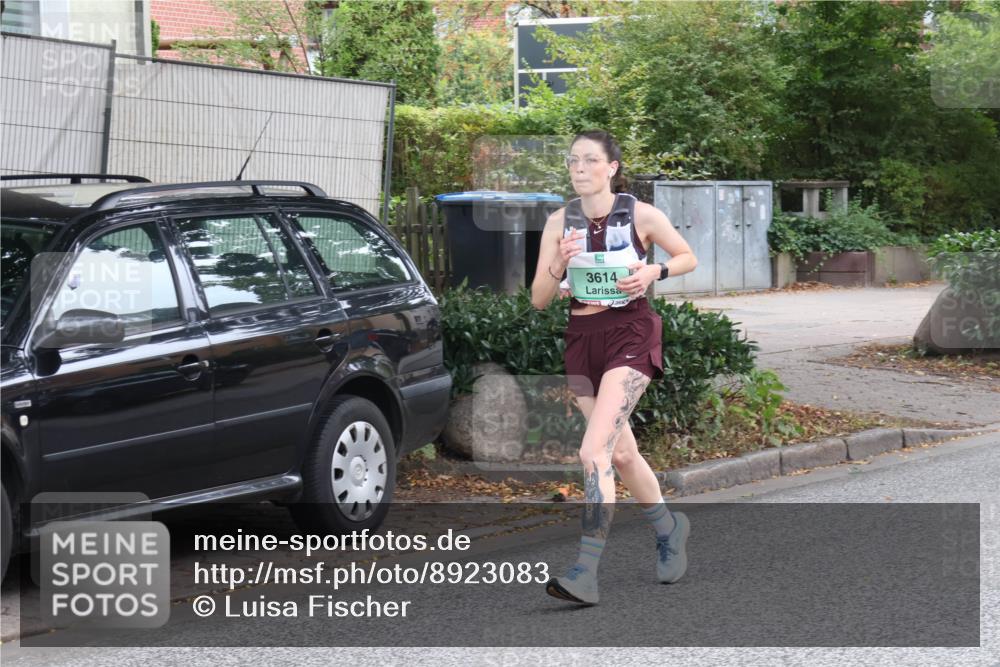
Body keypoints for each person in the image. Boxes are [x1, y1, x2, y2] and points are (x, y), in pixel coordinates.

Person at [530, 130, 698, 605]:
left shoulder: (641, 215)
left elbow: (687, 256)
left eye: (590, 160)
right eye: (573, 161)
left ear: (612, 168)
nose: (579, 168)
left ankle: (585, 572)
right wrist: (559, 265)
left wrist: (653, 272)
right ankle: (669, 529)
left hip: (631, 334)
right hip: (582, 341)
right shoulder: (558, 222)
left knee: (593, 452)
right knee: (620, 454)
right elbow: (539, 299)